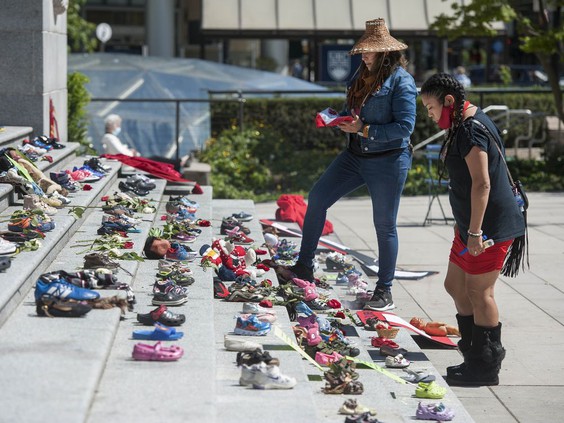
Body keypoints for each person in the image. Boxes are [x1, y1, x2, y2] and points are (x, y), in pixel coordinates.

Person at [289, 18, 417, 312]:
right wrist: (338, 117)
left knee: (384, 226)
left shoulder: (403, 82)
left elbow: (405, 128)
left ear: (386, 52)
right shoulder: (361, 75)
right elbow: (354, 112)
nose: (364, 55)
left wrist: (365, 129)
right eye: (363, 51)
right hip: (356, 155)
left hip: (388, 160)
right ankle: (303, 266)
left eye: (370, 51)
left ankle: (384, 290)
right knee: (317, 197)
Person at [420, 73, 526, 386]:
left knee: (480, 292)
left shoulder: (469, 130)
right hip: (469, 225)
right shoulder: (464, 121)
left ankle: (485, 367)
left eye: (431, 106)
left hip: (488, 227)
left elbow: (482, 182)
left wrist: (476, 232)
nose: (429, 114)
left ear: (449, 101)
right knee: (455, 286)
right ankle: (472, 354)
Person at [101, 114, 189, 171]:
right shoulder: (109, 138)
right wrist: (131, 152)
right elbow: (122, 153)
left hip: (129, 162)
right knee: (155, 159)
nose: (119, 127)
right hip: (128, 164)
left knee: (155, 159)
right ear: (113, 125)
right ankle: (178, 163)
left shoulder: (110, 137)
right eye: (118, 125)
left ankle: (178, 163)